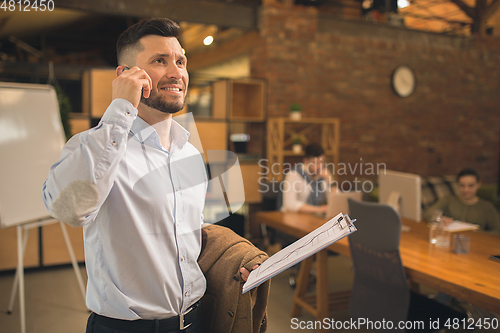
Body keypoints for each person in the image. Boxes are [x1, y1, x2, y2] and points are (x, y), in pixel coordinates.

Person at [42, 18, 254, 333]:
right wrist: (120, 107)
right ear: (125, 74)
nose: (176, 72)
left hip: (195, 321)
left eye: (180, 61)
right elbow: (67, 210)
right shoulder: (96, 148)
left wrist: (235, 259)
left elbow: (186, 232)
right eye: (159, 61)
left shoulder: (189, 151)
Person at [424, 168, 500, 235]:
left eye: (471, 186)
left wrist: (481, 233)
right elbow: (428, 213)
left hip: (477, 243)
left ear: (478, 184)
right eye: (462, 185)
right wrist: (440, 219)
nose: (466, 190)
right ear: (457, 185)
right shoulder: (448, 200)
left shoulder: (487, 207)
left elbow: (497, 230)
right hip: (450, 239)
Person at [280, 143, 332, 215]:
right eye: (315, 163)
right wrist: (319, 209)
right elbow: (289, 204)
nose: (319, 166)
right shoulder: (293, 174)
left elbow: (336, 201)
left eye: (321, 162)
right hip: (293, 216)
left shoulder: (322, 175)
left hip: (313, 217)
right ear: (306, 161)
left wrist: (331, 181)